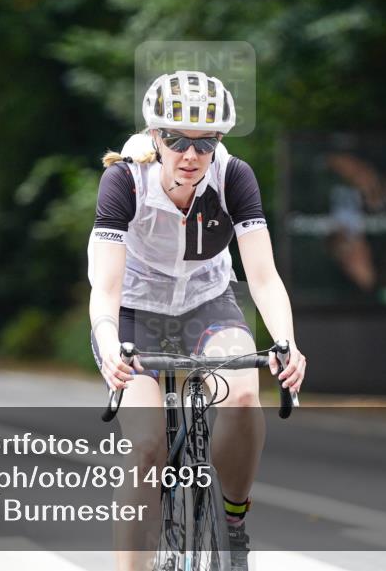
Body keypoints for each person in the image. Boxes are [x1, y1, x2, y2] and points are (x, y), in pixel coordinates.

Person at [88, 71, 307, 570]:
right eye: (176, 140)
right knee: (146, 446)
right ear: (155, 136)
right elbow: (106, 287)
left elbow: (263, 276)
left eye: (205, 143)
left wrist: (286, 342)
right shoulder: (125, 180)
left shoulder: (233, 177)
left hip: (206, 304)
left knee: (244, 395)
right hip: (134, 312)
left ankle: (233, 521)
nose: (191, 154)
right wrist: (108, 342)